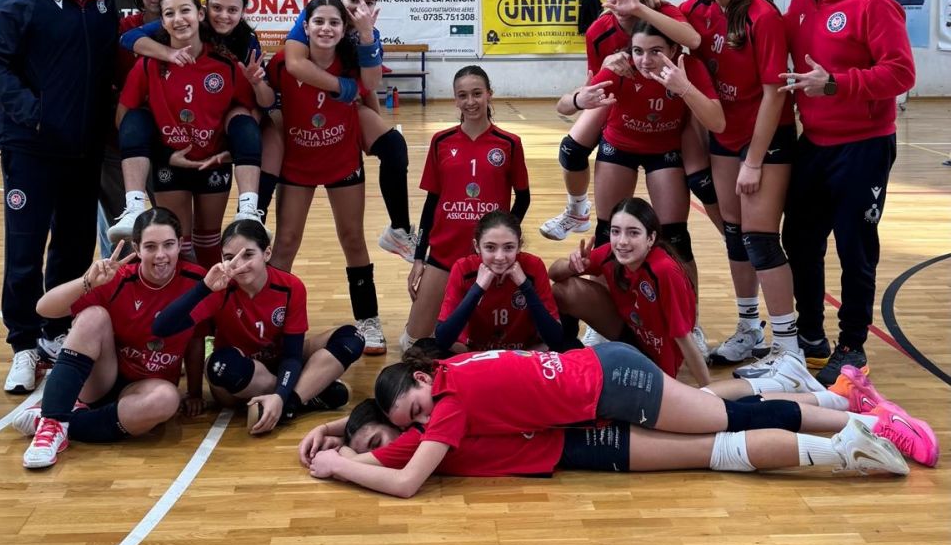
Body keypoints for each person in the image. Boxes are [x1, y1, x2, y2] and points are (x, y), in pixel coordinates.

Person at [301, 344, 935, 498]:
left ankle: (857, 417)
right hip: (602, 379)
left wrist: (336, 462)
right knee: (722, 420)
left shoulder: (451, 403)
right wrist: (335, 431)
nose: (423, 423)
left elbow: (406, 480)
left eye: (417, 412)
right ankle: (830, 399)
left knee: (725, 422)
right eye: (412, 422)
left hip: (611, 383)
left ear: (421, 383)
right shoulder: (449, 370)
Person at [0, 0, 119, 393]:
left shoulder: (104, 5)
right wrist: (34, 114)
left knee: (75, 245)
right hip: (30, 149)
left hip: (83, 150)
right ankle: (23, 344)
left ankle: (56, 331)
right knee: (25, 248)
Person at [779, 0, 916, 385]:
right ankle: (810, 335)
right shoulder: (800, 4)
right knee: (799, 240)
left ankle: (852, 345)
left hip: (864, 146)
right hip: (814, 144)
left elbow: (901, 73)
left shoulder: (873, 3)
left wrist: (836, 83)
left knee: (855, 248)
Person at [10, 208, 207, 469]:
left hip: (148, 386)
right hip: (103, 379)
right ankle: (53, 423)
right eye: (150, 246)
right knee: (93, 316)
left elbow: (196, 340)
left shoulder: (197, 282)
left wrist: (194, 392)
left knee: (167, 399)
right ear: (137, 248)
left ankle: (57, 422)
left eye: (168, 245)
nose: (161, 255)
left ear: (180, 244)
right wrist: (87, 282)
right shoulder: (119, 278)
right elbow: (44, 308)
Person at [680, 0, 798, 367]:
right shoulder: (697, 9)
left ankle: (788, 348)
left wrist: (753, 161)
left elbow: (774, 94)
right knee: (735, 234)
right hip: (724, 136)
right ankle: (750, 329)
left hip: (765, 138)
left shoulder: (762, 17)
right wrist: (643, 2)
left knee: (760, 239)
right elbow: (667, 23)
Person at [540, 0, 714, 245]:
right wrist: (587, 92)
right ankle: (576, 210)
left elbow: (693, 40)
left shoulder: (661, 12)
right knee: (571, 150)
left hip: (671, 101)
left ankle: (733, 238)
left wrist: (641, 9)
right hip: (623, 99)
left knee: (700, 188)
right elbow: (593, 86)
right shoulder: (599, 31)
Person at [153, 219, 364, 433]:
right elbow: (161, 328)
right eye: (230, 258)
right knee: (217, 366)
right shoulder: (220, 290)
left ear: (267, 253)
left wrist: (281, 396)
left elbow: (292, 356)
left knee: (352, 337)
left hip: (280, 359)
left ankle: (288, 404)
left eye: (248, 255)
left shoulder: (290, 286)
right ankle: (310, 391)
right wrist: (204, 287)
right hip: (242, 376)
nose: (239, 264)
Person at [266, 0, 387, 354]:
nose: (326, 28)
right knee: (286, 241)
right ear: (305, 26)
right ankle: (269, 320)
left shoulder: (350, 61)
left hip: (342, 160)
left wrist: (377, 131)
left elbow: (371, 87)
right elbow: (264, 103)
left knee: (353, 239)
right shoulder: (282, 63)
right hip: (297, 165)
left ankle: (368, 320)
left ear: (343, 28)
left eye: (334, 22)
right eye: (318, 21)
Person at [109, 0, 269, 244]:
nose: (179, 19)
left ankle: (249, 211)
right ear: (162, 22)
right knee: (177, 242)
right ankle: (134, 207)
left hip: (213, 159)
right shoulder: (150, 63)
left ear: (199, 14)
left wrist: (233, 150)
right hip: (170, 160)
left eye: (185, 10)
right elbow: (124, 118)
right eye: (169, 13)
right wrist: (164, 154)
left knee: (208, 242)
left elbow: (257, 110)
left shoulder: (232, 58)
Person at [284, 0, 416, 262]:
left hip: (341, 112)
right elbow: (294, 63)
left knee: (394, 147)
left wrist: (367, 36)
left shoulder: (368, 34)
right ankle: (252, 214)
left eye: (369, 2)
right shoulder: (317, 19)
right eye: (353, 0)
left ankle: (399, 229)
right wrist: (343, 88)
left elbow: (369, 84)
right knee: (288, 236)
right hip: (305, 113)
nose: (361, 8)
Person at [402, 66, 530, 351]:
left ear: (489, 94)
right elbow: (431, 202)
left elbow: (523, 198)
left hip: (488, 258)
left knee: (487, 343)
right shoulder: (441, 141)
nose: (470, 101)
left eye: (476, 93)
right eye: (463, 95)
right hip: (443, 255)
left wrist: (504, 242)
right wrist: (419, 258)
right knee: (412, 346)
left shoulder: (509, 143)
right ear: (455, 100)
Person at [550, 198, 711, 386]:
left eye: (633, 233)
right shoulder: (611, 253)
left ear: (651, 238)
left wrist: (709, 392)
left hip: (659, 359)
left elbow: (684, 338)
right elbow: (553, 274)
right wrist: (571, 265)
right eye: (615, 231)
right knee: (564, 289)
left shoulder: (664, 271)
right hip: (629, 334)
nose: (622, 241)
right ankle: (566, 352)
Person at [96, 0, 186, 260]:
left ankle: (173, 286)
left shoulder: (189, 31)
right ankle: (119, 285)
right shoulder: (123, 29)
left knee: (172, 227)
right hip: (119, 145)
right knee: (121, 233)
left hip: (170, 146)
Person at [434, 211, 571, 354]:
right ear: (477, 246)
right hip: (477, 356)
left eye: (509, 247)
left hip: (524, 355)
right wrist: (477, 288)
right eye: (490, 247)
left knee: (572, 346)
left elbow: (555, 340)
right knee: (429, 350)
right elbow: (443, 340)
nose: (500, 257)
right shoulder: (463, 268)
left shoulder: (533, 266)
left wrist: (525, 285)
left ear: (519, 246)